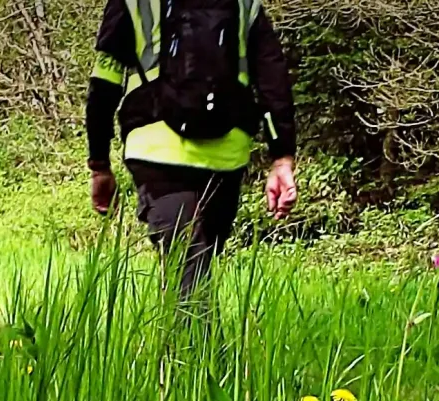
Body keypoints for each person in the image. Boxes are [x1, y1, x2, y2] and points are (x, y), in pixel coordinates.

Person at [85, 0, 300, 296]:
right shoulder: (246, 4)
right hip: (227, 156)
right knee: (193, 270)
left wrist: (99, 163)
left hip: (156, 150)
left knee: (188, 273)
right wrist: (282, 158)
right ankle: (187, 324)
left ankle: (188, 325)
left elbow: (103, 84)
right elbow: (273, 83)